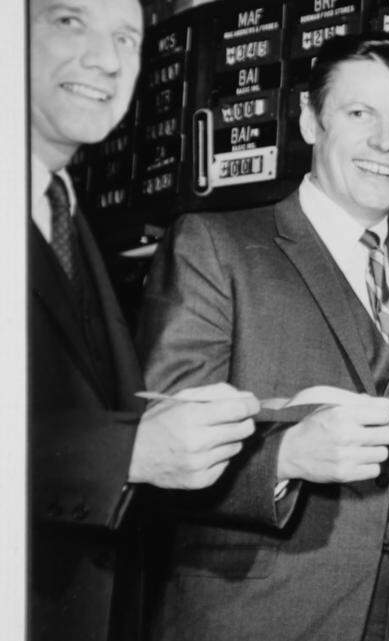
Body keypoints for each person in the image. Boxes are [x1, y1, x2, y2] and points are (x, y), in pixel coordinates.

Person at [136, 34, 389, 641]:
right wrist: (285, 457)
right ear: (310, 120)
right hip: (261, 613)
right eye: (359, 113)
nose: (384, 143)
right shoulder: (215, 247)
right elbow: (151, 455)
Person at [28, 0, 260, 639]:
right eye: (69, 21)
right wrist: (127, 450)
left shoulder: (63, 213)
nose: (105, 59)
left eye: (126, 38)